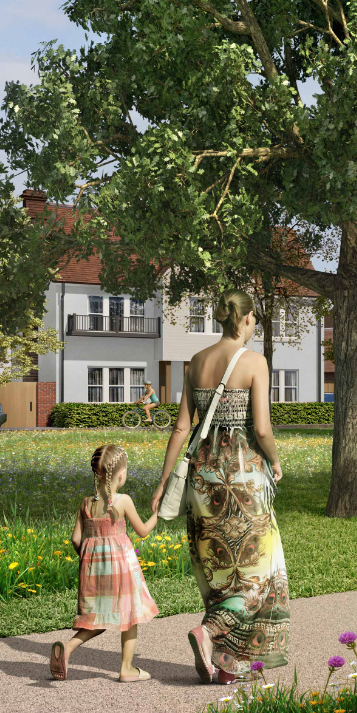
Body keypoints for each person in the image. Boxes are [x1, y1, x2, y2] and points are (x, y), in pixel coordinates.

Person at [153, 288, 289, 684]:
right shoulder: (254, 362)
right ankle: (209, 632)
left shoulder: (196, 361)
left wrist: (163, 483)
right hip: (242, 477)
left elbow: (181, 428)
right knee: (261, 570)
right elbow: (261, 428)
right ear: (246, 319)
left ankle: (229, 666)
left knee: (220, 570)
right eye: (254, 319)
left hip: (201, 478)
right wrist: (275, 461)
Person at [49, 444, 159, 682]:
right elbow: (142, 531)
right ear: (121, 474)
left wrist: (90, 558)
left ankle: (67, 648)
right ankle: (127, 669)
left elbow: (75, 539)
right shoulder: (123, 500)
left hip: (94, 570)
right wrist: (157, 515)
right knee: (130, 615)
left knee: (97, 617)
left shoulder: (85, 503)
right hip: (121, 568)